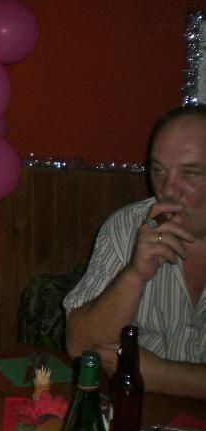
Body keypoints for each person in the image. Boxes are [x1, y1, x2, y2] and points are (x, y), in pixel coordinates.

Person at [64, 105, 206, 400]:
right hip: (142, 415)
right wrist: (135, 275)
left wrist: (164, 376)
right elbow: (79, 346)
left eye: (189, 173)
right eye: (159, 171)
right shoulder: (127, 226)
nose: (168, 189)